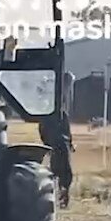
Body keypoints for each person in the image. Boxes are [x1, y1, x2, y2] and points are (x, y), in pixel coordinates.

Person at [39, 71, 75, 209]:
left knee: (63, 171)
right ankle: (59, 196)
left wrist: (69, 141)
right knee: (59, 170)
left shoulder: (58, 110)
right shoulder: (53, 108)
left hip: (59, 141)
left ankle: (62, 195)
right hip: (57, 142)